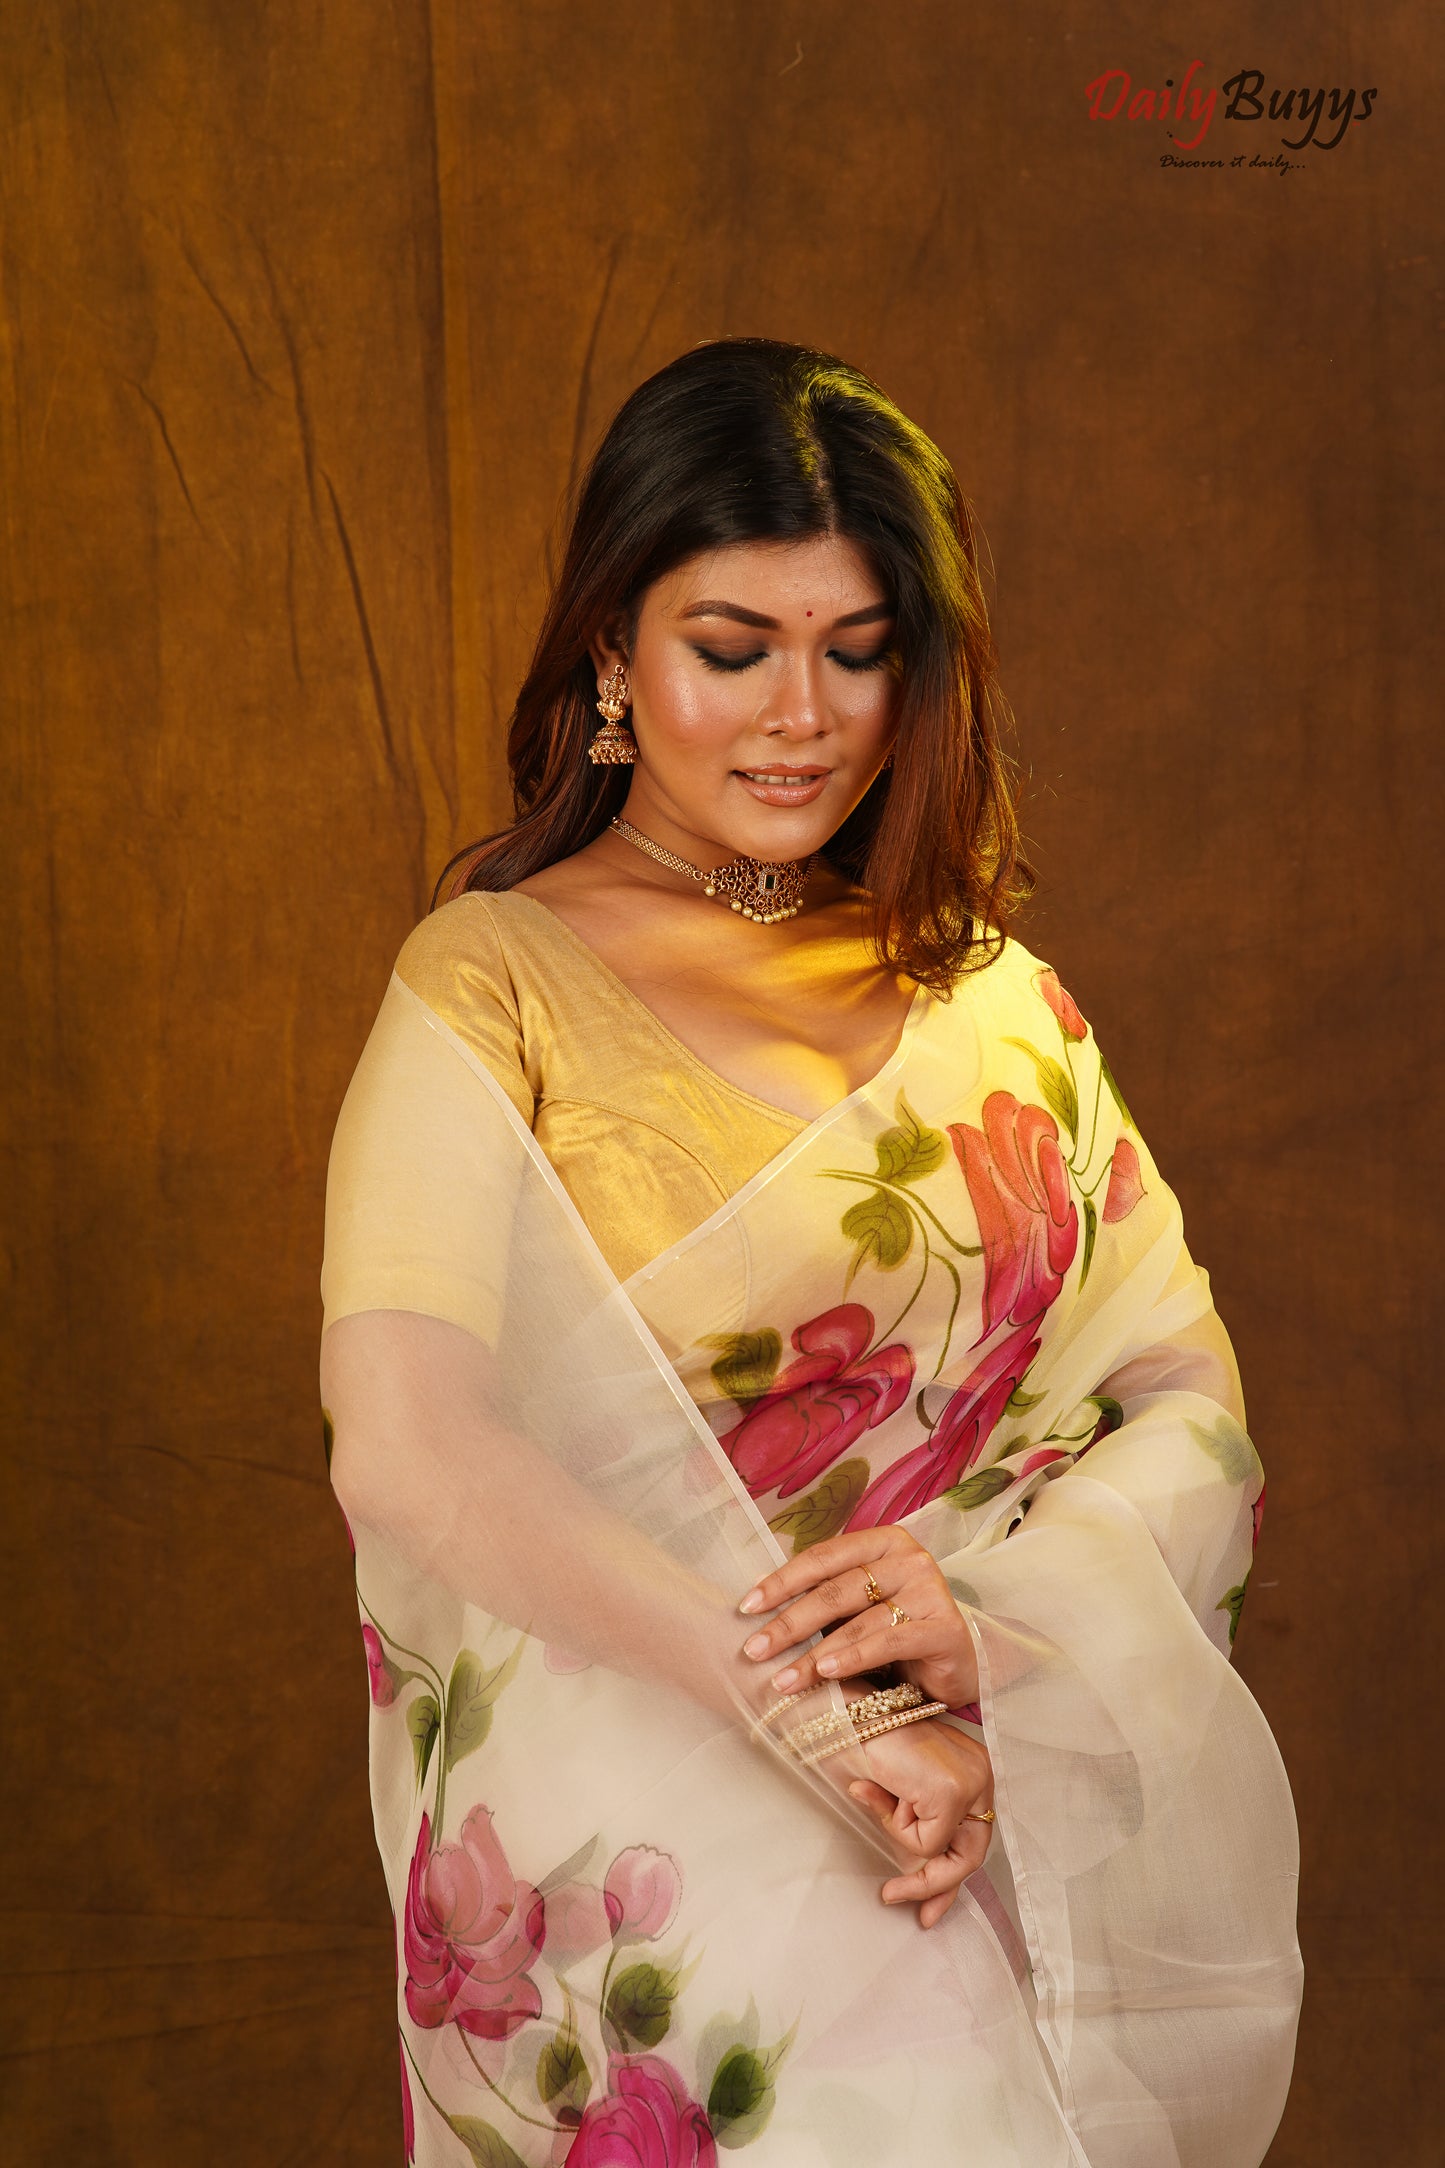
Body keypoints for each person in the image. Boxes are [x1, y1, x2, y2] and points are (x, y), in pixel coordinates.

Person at [319, 338, 1301, 2168]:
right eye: (732, 648)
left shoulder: (992, 1003)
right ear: (611, 655)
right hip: (647, 1827)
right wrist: (812, 1717)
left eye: (857, 651)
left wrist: (988, 1634)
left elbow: (1183, 1399)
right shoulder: (495, 983)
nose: (801, 716)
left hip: (959, 1804)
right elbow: (407, 1441)